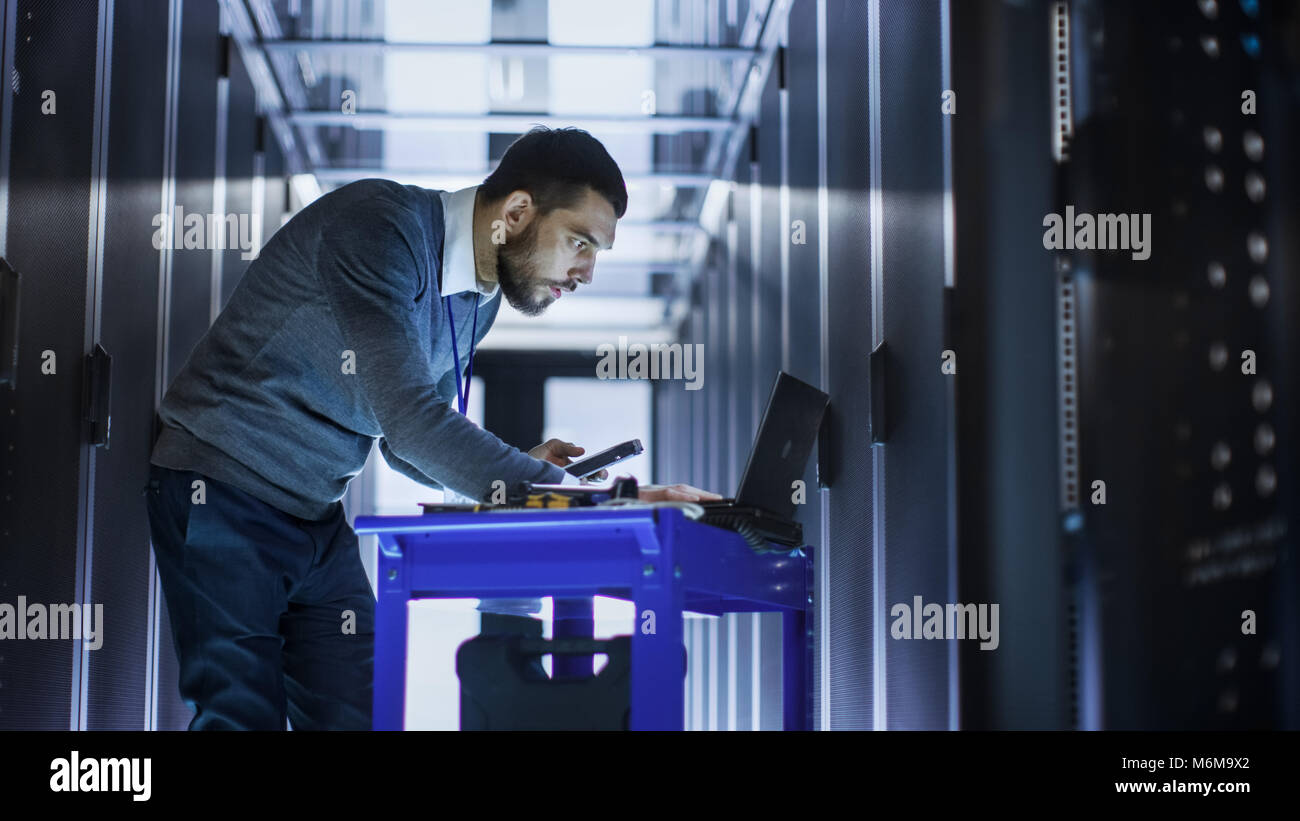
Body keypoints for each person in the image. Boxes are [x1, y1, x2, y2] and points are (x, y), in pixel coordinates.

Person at [143, 126, 719, 730]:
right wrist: (576, 497)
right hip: (221, 488)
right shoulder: (378, 228)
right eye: (580, 242)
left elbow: (402, 443)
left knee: (360, 717)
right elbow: (413, 421)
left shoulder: (478, 296)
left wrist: (523, 473)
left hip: (312, 514)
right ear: (518, 211)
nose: (587, 272)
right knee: (241, 716)